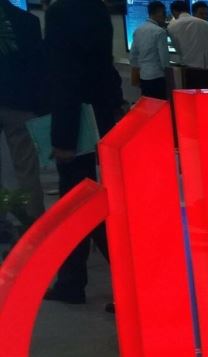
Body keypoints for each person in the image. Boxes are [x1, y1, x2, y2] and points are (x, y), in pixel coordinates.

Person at [43, 0, 125, 306]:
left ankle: (128, 280)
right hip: (99, 118)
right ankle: (73, 281)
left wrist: (62, 137)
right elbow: (104, 68)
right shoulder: (97, 9)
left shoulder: (61, 12)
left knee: (80, 204)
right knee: (90, 201)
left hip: (76, 125)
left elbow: (64, 78)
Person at [0, 0, 46, 228]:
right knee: (26, 167)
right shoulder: (28, 21)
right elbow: (38, 68)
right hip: (20, 103)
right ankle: (33, 224)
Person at [129, 1, 171, 100]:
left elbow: (133, 56)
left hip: (143, 77)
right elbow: (164, 60)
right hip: (158, 77)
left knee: (148, 105)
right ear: (159, 12)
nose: (165, 16)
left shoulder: (138, 30)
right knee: (160, 105)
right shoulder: (160, 32)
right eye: (164, 13)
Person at [168, 1, 208, 70]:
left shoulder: (171, 26)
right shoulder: (204, 23)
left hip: (187, 67)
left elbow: (177, 48)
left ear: (174, 11)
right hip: (206, 66)